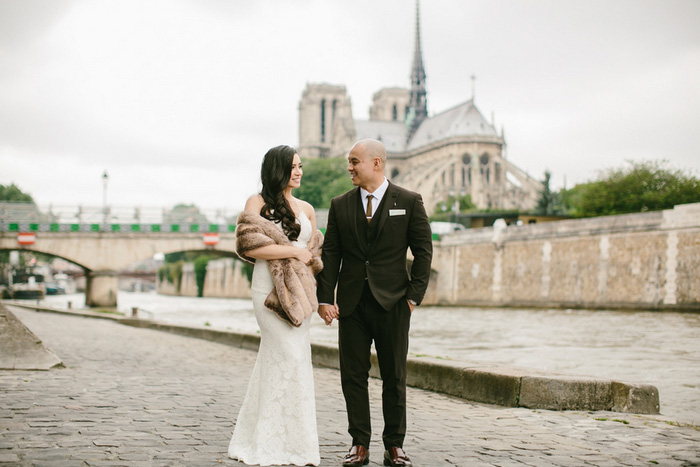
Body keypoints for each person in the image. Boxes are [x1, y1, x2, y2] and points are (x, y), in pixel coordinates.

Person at [316, 139, 433, 467]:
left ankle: (394, 445)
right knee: (353, 375)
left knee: (394, 375)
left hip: (394, 303)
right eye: (348, 162)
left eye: (354, 162)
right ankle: (359, 444)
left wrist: (413, 298)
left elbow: (423, 251)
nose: (349, 168)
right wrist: (325, 298)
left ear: (377, 163)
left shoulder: (409, 201)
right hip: (350, 305)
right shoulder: (340, 205)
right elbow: (332, 253)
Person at [229, 145, 326, 466]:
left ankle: (296, 445)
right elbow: (249, 246)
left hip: (300, 293)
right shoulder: (256, 203)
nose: (299, 172)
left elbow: (315, 255)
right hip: (268, 289)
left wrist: (309, 265)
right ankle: (267, 444)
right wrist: (293, 253)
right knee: (286, 354)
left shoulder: (307, 208)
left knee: (292, 361)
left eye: (300, 166)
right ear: (278, 170)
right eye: (293, 167)